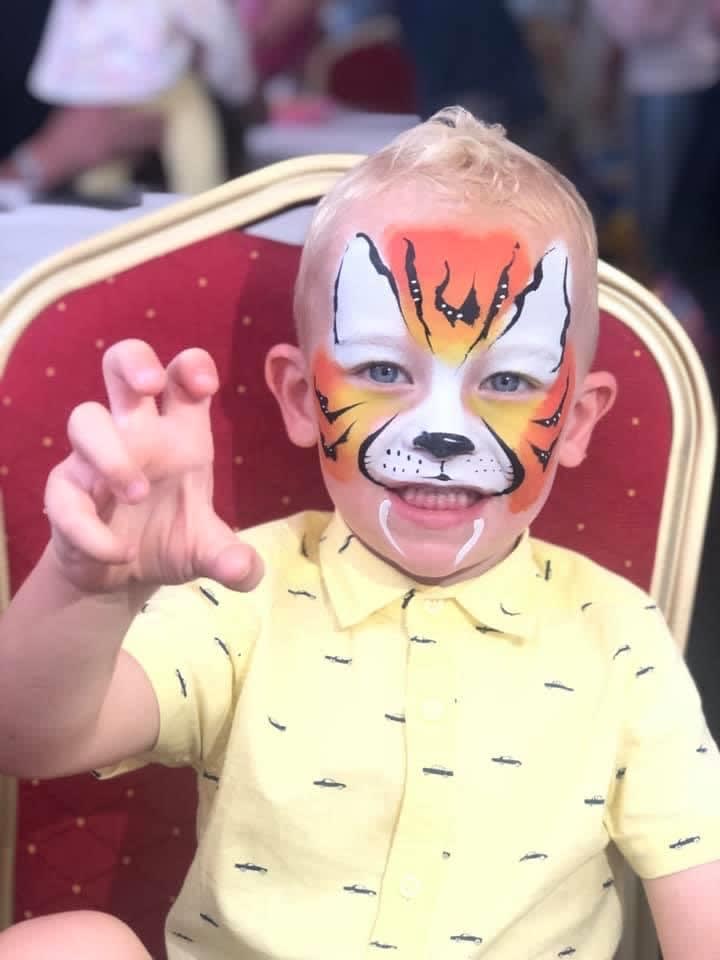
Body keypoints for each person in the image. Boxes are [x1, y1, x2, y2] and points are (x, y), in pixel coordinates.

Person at [1, 107, 720, 960]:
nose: (442, 430)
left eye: (508, 381)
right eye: (382, 369)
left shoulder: (619, 636)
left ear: (577, 420)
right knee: (72, 943)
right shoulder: (245, 589)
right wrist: (90, 587)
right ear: (302, 398)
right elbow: (31, 739)